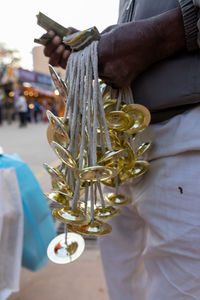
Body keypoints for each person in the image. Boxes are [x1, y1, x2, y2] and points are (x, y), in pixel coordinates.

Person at [43, 1, 200, 299]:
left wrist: (164, 34)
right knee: (123, 284)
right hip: (125, 149)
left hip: (190, 137)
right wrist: (89, 52)